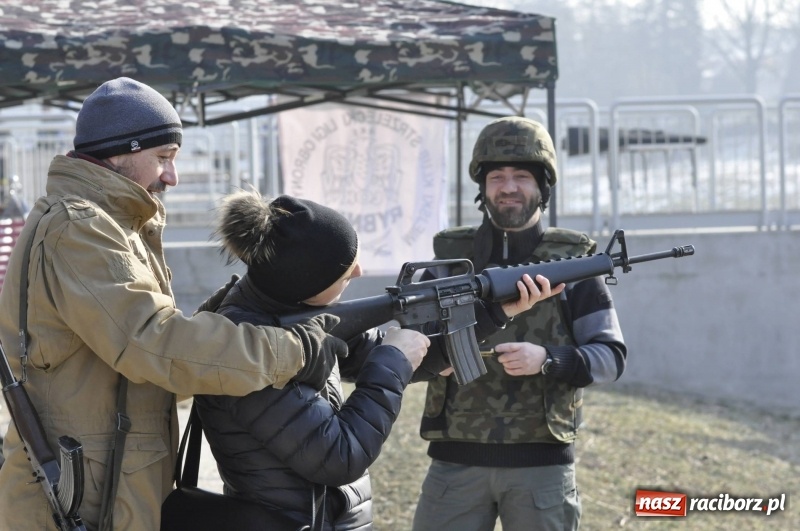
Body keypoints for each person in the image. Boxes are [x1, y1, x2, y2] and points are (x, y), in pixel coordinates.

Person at [0, 77, 347, 530]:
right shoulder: (81, 229)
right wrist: (292, 351)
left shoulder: (108, 223)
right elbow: (155, 346)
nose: (172, 176)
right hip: (85, 496)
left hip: (106, 484)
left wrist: (220, 320)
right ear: (119, 152)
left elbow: (145, 358)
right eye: (162, 158)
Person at [193, 190, 560, 530]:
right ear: (305, 284)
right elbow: (339, 455)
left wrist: (495, 313)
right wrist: (393, 361)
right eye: (344, 270)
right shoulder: (248, 351)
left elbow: (405, 352)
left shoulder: (295, 316)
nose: (359, 272)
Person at [411, 116, 628, 531]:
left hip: (541, 468)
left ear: (543, 187)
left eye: (522, 176)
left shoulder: (575, 265)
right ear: (483, 187)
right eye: (497, 176)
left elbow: (611, 357)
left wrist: (548, 359)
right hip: (454, 463)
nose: (508, 187)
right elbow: (408, 350)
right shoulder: (448, 263)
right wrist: (437, 356)